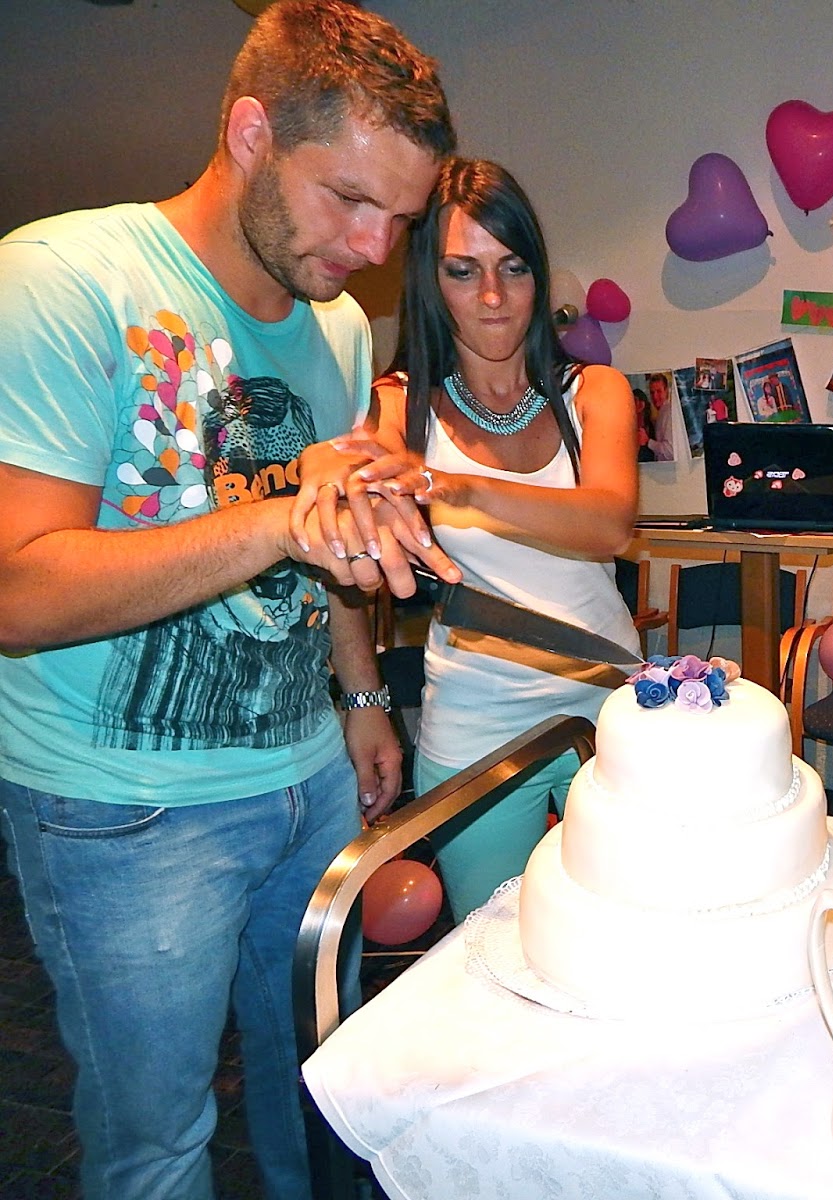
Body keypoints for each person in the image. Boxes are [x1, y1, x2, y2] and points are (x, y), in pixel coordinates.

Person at [0, 3, 455, 1197]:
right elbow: (17, 589)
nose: (373, 245)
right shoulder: (63, 281)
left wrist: (361, 692)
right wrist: (276, 518)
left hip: (306, 778)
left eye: (400, 218)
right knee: (159, 1146)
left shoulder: (337, 324)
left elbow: (327, 537)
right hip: (124, 809)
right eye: (347, 198)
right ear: (251, 133)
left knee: (317, 1089)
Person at [349, 158, 638, 919]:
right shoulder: (396, 409)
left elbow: (609, 522)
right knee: (486, 940)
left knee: (627, 928)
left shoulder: (594, 391)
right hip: (475, 719)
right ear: (429, 281)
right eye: (462, 270)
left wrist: (458, 486)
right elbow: (358, 551)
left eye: (513, 267)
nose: (492, 296)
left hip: (609, 703)